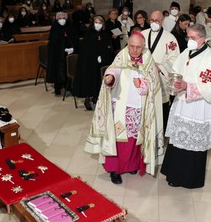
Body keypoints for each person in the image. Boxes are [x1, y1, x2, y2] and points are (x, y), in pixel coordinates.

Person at [84, 32, 164, 184]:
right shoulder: (122, 55)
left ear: (143, 47)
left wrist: (142, 84)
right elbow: (114, 69)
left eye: (138, 47)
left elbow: (154, 83)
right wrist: (110, 78)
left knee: (134, 139)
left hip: (139, 105)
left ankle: (130, 165)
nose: (134, 50)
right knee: (118, 138)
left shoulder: (148, 59)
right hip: (120, 103)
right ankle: (114, 169)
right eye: (131, 46)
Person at [161, 24, 211, 189]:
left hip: (198, 107)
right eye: (188, 37)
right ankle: (174, 173)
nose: (189, 40)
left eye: (193, 38)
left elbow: (208, 87)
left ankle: (189, 178)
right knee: (178, 139)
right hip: (182, 102)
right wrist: (175, 82)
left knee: (192, 142)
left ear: (202, 39)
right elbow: (176, 69)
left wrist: (187, 86)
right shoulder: (187, 52)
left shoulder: (208, 58)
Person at [141, 11, 180, 134]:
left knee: (160, 108)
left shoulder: (170, 38)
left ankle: (159, 134)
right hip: (143, 77)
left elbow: (175, 60)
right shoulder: (142, 35)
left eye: (157, 21)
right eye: (152, 20)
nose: (154, 23)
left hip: (160, 79)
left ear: (162, 21)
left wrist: (161, 67)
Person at [73, 15, 113, 110]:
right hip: (89, 63)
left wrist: (102, 56)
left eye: (100, 23)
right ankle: (87, 99)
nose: (98, 25)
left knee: (99, 80)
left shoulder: (105, 33)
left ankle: (96, 98)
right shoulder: (89, 33)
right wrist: (94, 56)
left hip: (101, 62)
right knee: (90, 80)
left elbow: (108, 47)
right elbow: (85, 49)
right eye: (96, 23)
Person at [46, 12, 79, 95]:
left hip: (69, 53)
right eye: (60, 18)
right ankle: (57, 86)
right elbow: (53, 42)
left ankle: (67, 85)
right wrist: (62, 48)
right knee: (58, 69)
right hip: (57, 54)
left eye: (63, 18)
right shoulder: (54, 28)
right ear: (57, 19)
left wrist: (72, 48)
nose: (62, 20)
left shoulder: (70, 26)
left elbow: (75, 39)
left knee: (68, 68)